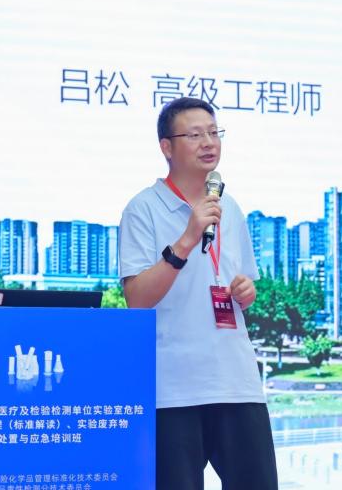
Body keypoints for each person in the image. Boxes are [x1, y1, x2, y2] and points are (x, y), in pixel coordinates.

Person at [119, 97, 278, 490]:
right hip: (172, 389)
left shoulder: (230, 207)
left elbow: (242, 283)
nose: (209, 142)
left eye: (213, 132)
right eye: (194, 135)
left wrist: (246, 291)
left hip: (237, 382)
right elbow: (137, 299)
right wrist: (187, 239)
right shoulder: (143, 209)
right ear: (167, 147)